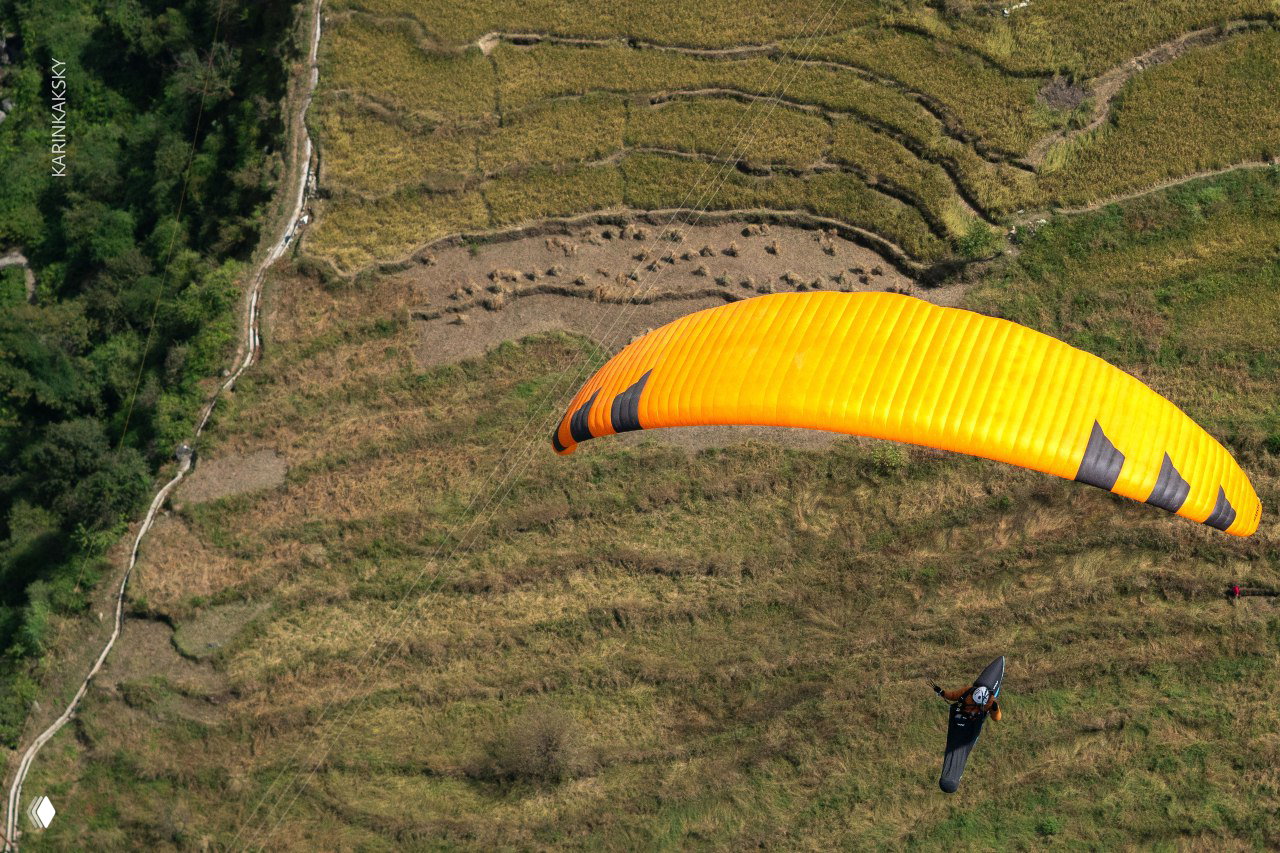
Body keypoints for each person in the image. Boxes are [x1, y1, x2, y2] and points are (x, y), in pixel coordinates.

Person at [933, 681, 1002, 721]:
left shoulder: (991, 702)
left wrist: (995, 710)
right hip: (963, 713)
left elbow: (997, 718)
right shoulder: (967, 691)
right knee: (956, 718)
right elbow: (953, 695)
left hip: (976, 718)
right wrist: (942, 692)